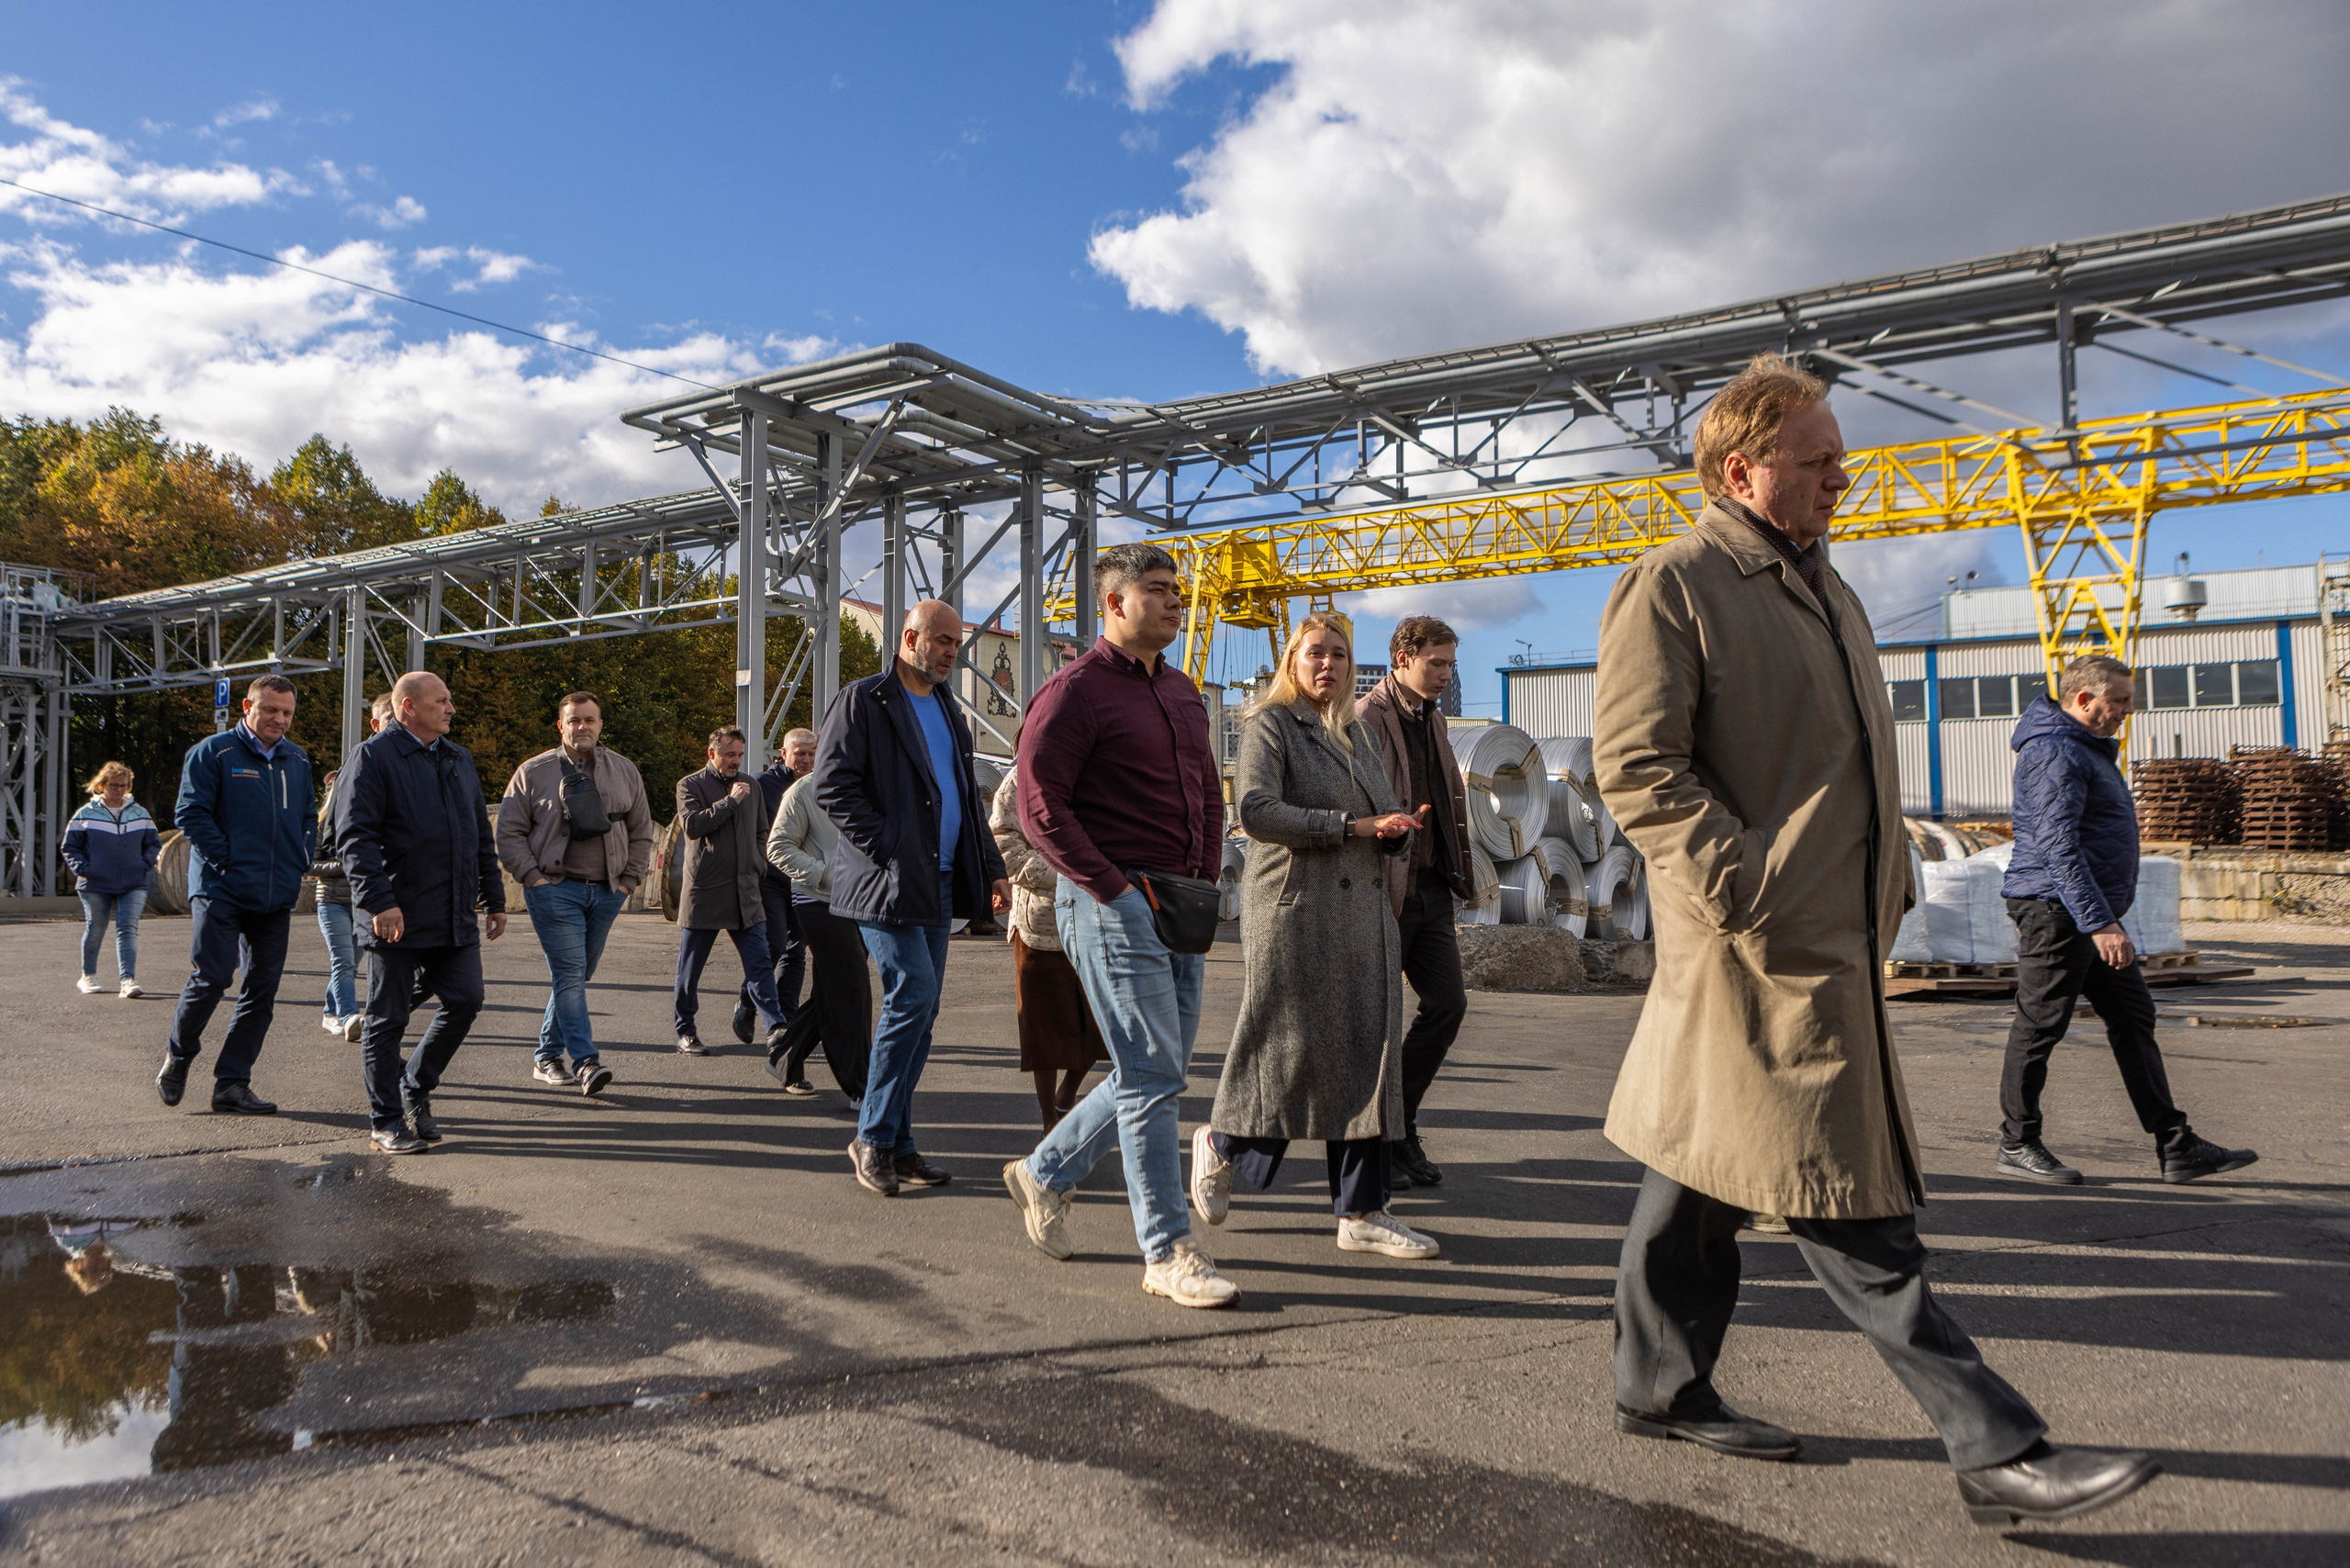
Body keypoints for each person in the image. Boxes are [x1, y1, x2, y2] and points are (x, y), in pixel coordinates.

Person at [1593, 353, 2157, 1527]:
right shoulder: (1679, 582)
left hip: (1831, 934)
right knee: (1848, 1205)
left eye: (1838, 457)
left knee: (1696, 1171)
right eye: (1818, 461)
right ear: (1742, 469)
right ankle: (1994, 1448)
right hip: (1759, 946)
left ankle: (1655, 1385)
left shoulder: (1826, 587)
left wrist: (1887, 877)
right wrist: (1745, 885)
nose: (1840, 478)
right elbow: (1637, 769)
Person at [999, 545, 1235, 1307]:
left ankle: (1043, 1173)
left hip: (1179, 902)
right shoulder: (1074, 692)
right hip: (1111, 903)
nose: (1176, 603)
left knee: (1151, 1072)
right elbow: (1040, 808)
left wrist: (1203, 876)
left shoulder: (1183, 692)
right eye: (1158, 591)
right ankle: (1167, 1250)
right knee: (1153, 1073)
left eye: (1177, 592)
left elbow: (1206, 792)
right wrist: (1113, 890)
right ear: (1113, 603)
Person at [1189, 611, 1438, 1260]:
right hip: (1297, 914)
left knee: (1366, 1053)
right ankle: (1221, 1145)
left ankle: (1362, 1210)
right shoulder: (1273, 724)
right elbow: (1256, 811)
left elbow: (1375, 814)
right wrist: (1352, 828)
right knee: (1292, 1052)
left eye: (1339, 655)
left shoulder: (1359, 735)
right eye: (1315, 654)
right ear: (1292, 662)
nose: (1328, 665)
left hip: (1361, 916)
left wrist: (1396, 829)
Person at [1996, 656, 2258, 1186]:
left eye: (2128, 703)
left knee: (2133, 1017)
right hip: (2057, 910)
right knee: (2041, 1025)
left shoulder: (2081, 748)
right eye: (2118, 702)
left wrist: (2101, 918)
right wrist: (2098, 923)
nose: (2125, 712)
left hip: (2083, 910)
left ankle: (2176, 1145)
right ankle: (2016, 1141)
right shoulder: (2054, 750)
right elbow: (2057, 845)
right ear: (2084, 699)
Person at [814, 599, 1009, 1197]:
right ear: (909, 637)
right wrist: (891, 845)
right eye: (942, 640)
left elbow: (966, 802)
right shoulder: (864, 701)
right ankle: (871, 1137)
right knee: (912, 997)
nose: (952, 652)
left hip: (939, 884)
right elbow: (831, 786)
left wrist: (994, 867)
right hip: (887, 884)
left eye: (956, 643)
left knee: (920, 1017)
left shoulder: (950, 711)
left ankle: (897, 1143)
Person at [337, 670, 507, 1155]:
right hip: (394, 916)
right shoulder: (372, 757)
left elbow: (478, 833)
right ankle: (386, 1120)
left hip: (451, 912)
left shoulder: (457, 758)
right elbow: (356, 838)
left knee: (466, 999)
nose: (451, 708)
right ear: (408, 707)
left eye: (450, 700)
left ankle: (415, 1085)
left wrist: (493, 898)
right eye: (442, 701)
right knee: (387, 1021)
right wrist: (380, 901)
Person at [157, 675, 314, 1116]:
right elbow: (191, 813)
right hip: (221, 889)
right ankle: (179, 1057)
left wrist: (300, 855)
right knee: (212, 979)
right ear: (247, 707)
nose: (278, 720)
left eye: (286, 713)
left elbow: (307, 816)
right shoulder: (214, 752)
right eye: (270, 710)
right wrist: (227, 860)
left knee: (261, 991)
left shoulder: (297, 759)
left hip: (275, 894)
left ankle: (232, 1083)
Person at [1358, 615, 1473, 1190]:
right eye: (1437, 663)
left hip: (1430, 888)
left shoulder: (1435, 719)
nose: (1445, 674)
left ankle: (1399, 1127)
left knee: (1447, 1006)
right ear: (1402, 657)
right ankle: (1378, 1147)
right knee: (1377, 1025)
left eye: (1450, 664)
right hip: (1384, 890)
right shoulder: (1367, 719)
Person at [497, 690, 655, 1097]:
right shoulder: (533, 771)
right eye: (574, 720)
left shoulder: (624, 770)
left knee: (577, 976)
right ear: (560, 726)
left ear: (601, 725)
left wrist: (627, 883)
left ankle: (546, 1055)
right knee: (569, 973)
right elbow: (509, 833)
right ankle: (586, 1062)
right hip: (554, 890)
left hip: (606, 891)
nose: (581, 726)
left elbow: (640, 830)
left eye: (589, 720)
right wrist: (532, 878)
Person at [989, 761, 1106, 1130]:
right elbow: (1003, 840)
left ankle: (1066, 1095)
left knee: (1101, 1026)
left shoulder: (1104, 765)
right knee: (1045, 1033)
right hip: (1040, 923)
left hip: (1099, 916)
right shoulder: (1024, 773)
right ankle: (1048, 1123)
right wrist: (1065, 876)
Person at [673, 726, 789, 1057]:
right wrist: (729, 801)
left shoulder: (751, 784)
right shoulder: (690, 785)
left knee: (760, 961)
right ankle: (686, 1030)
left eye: (739, 754)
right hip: (706, 891)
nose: (735, 760)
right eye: (729, 755)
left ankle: (775, 1026)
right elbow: (693, 826)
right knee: (690, 969)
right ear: (712, 754)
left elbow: (761, 831)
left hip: (746, 890)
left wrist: (756, 864)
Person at [765, 761, 872, 1103]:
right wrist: (826, 874)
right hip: (816, 901)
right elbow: (777, 847)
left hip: (863, 900)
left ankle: (785, 1056)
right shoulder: (803, 790)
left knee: (830, 991)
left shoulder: (869, 783)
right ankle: (860, 1087)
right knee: (853, 990)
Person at [733, 728, 817, 1047]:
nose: (806, 760)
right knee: (775, 945)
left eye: (811, 753)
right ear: (783, 754)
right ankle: (747, 1001)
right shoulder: (761, 786)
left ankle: (786, 1024)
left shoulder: (821, 786)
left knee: (797, 953)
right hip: (771, 881)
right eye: (800, 753)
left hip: (807, 881)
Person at [63, 760, 160, 999]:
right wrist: (84, 869)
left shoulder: (140, 813)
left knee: (127, 929)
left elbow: (153, 844)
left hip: (133, 882)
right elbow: (70, 847)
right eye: (115, 785)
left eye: (124, 785)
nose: (120, 790)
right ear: (102, 785)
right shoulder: (85, 814)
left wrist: (144, 864)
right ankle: (88, 976)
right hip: (94, 882)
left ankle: (128, 981)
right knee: (96, 928)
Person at [312, 770, 362, 1040]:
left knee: (350, 965)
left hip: (364, 903)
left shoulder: (367, 819)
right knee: (343, 961)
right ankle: (349, 1015)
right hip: (332, 901)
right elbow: (308, 864)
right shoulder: (322, 824)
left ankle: (330, 1013)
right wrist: (343, 867)